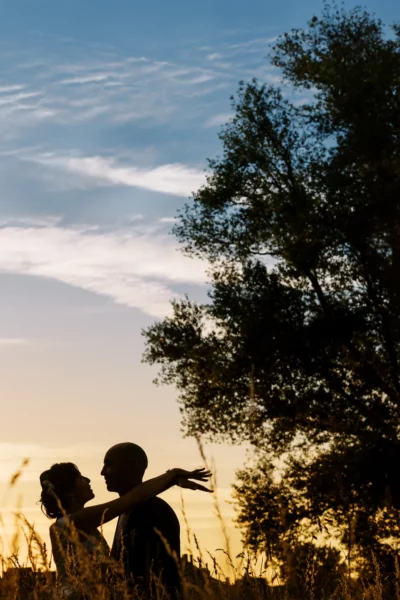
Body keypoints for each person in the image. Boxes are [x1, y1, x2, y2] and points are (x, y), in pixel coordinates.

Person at [40, 460, 211, 598]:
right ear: (70, 491)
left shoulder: (81, 521)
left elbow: (136, 498)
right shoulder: (72, 522)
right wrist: (172, 474)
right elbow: (131, 499)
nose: (89, 480)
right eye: (81, 478)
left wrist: (170, 481)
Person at [102, 443, 200, 599]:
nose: (102, 472)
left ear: (133, 465)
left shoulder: (155, 510)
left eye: (109, 464)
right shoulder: (124, 511)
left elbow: (165, 574)